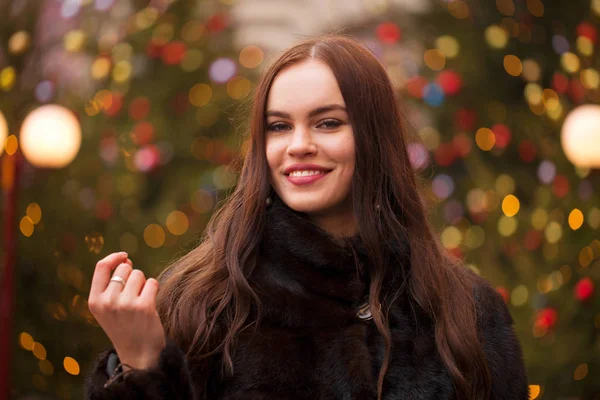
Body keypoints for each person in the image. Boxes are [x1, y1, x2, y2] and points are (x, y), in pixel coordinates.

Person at [84, 33, 529, 400]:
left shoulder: (466, 312)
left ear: (374, 138)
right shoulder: (203, 304)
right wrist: (140, 369)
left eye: (328, 123)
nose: (298, 144)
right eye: (278, 126)